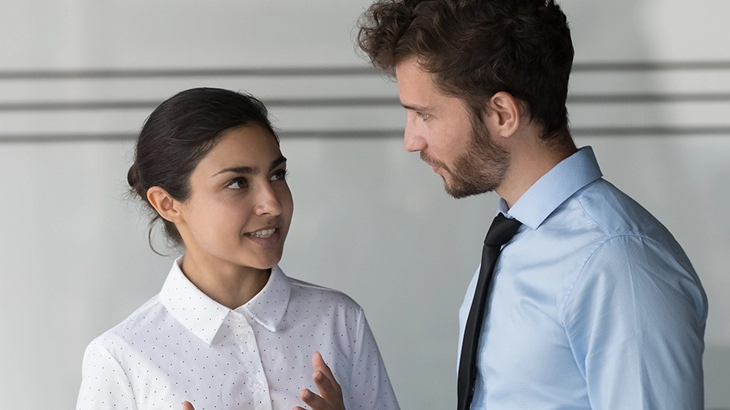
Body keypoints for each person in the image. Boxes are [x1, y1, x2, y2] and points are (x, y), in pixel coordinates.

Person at [357, 0, 708, 409]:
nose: (411, 140)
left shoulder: (618, 263)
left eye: (424, 115)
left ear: (502, 113)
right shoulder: (517, 238)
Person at [76, 87, 400, 410]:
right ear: (168, 204)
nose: (272, 204)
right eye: (237, 183)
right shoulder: (121, 357)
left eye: (277, 175)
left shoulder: (339, 320)